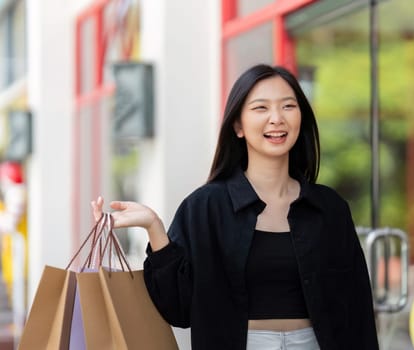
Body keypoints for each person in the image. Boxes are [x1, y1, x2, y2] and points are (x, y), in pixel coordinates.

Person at [92, 64, 379, 349]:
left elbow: (357, 309)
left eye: (288, 106)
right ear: (238, 126)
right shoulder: (204, 207)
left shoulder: (329, 208)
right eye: (261, 108)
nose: (276, 118)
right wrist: (154, 227)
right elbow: (178, 310)